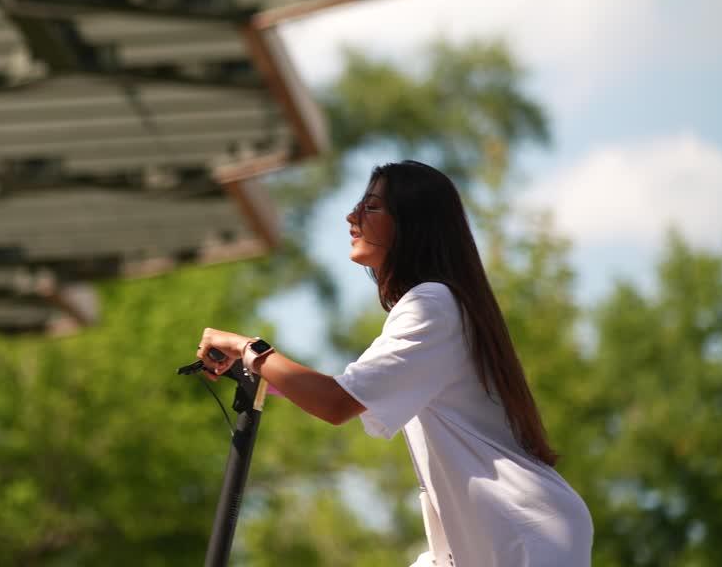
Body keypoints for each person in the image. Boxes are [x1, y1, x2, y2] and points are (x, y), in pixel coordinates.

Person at [195, 160, 593, 567]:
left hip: (521, 533)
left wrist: (249, 349)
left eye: (371, 207)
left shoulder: (432, 305)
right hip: (487, 538)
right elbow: (346, 391)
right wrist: (256, 370)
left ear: (412, 224)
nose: (351, 216)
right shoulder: (441, 306)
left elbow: (336, 402)